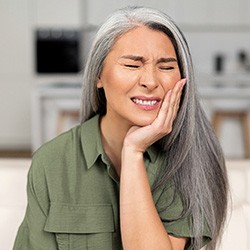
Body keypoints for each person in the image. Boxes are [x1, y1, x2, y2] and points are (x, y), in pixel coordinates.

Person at [13, 6, 228, 250]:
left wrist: (133, 151)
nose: (150, 81)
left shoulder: (191, 158)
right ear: (98, 76)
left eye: (166, 67)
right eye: (132, 65)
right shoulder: (52, 161)